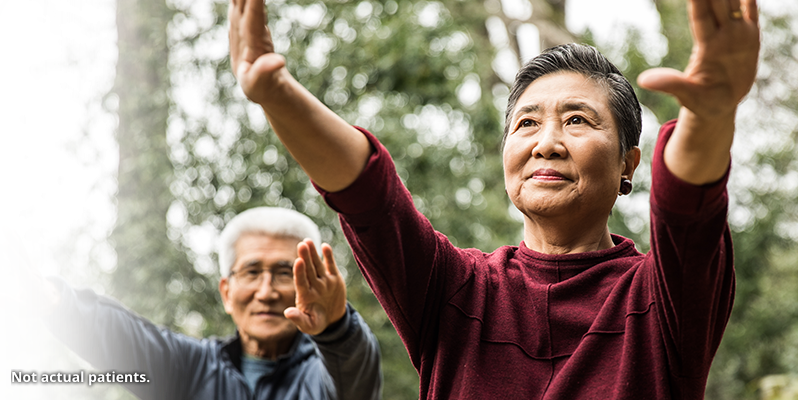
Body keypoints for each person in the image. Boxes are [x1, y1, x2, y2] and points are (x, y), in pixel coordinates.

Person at [228, 0, 759, 397]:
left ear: (628, 163)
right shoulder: (455, 291)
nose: (546, 142)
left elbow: (688, 211)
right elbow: (370, 196)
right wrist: (277, 95)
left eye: (577, 120)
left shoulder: (664, 298)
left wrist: (711, 117)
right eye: (526, 123)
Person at [0, 207, 382, 399]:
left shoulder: (322, 376)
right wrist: (58, 304)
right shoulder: (192, 368)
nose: (267, 291)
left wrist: (336, 328)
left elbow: (353, 383)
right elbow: (126, 341)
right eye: (251, 272)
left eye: (285, 273)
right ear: (226, 292)